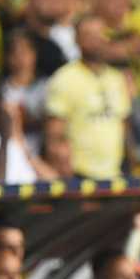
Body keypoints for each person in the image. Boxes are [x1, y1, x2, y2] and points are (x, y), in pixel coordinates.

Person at [44, 14, 131, 180]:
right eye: (89, 35)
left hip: (114, 174)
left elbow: (123, 124)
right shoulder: (64, 78)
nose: (97, 40)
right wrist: (63, 169)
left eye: (101, 34)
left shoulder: (116, 78)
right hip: (79, 175)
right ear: (77, 40)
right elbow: (54, 133)